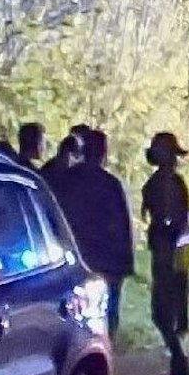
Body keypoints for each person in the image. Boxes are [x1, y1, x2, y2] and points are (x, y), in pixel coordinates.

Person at [53, 130, 135, 332]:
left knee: (75, 312)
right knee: (107, 313)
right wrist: (124, 263)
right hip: (105, 261)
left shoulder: (66, 180)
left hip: (75, 257)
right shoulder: (110, 185)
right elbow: (122, 226)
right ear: (103, 153)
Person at [141, 131, 189, 375]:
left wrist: (161, 239)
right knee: (170, 318)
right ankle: (180, 374)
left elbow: (169, 222)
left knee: (163, 315)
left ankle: (181, 374)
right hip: (178, 260)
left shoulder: (166, 184)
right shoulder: (174, 183)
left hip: (169, 259)